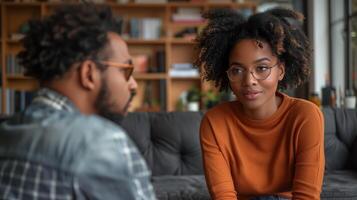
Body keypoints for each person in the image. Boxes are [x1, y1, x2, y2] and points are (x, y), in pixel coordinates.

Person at [0, 4, 156, 200]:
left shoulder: (7, 131)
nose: (133, 85)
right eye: (126, 71)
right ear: (88, 74)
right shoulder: (102, 141)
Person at [195, 8, 324, 200]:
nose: (249, 81)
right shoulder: (215, 123)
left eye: (262, 68)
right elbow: (223, 196)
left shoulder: (305, 116)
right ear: (227, 74)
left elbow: (306, 196)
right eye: (237, 70)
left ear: (280, 70)